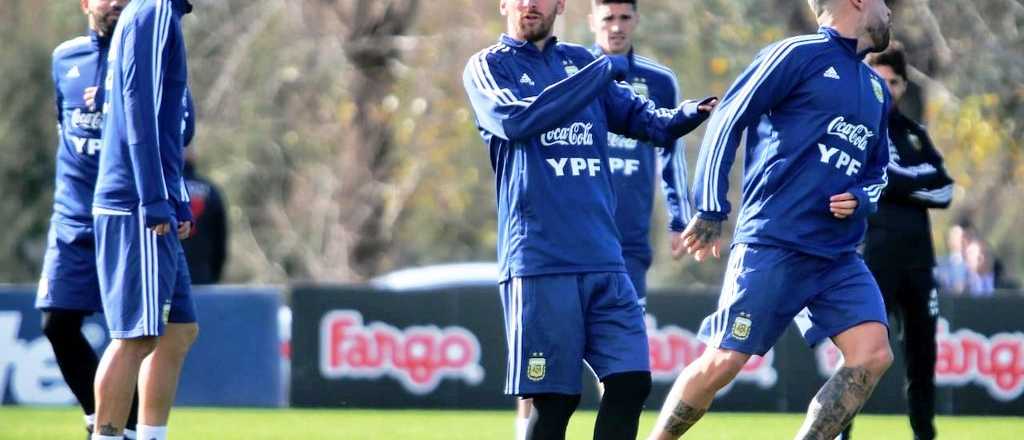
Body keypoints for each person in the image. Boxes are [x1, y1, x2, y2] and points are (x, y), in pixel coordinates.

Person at [463, 1, 717, 438]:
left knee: (631, 382)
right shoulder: (489, 66)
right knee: (555, 400)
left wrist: (690, 114)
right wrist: (596, 75)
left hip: (605, 255)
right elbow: (518, 119)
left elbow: (644, 121)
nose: (530, 4)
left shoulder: (579, 62)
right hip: (541, 260)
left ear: (560, 4)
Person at [647, 0, 894, 439]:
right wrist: (710, 206)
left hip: (836, 256)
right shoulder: (797, 54)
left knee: (872, 354)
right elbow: (728, 117)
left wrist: (859, 197)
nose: (889, 10)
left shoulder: (876, 89)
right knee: (724, 361)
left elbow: (878, 172)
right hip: (774, 243)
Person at [36, 1, 146, 438]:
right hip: (72, 218)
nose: (116, 2)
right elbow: (66, 125)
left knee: (130, 337)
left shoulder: (150, 58)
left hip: (126, 218)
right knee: (57, 323)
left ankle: (128, 429)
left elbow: (181, 126)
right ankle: (98, 420)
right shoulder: (65, 57)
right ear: (85, 3)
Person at [91, 1, 197, 439]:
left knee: (178, 329)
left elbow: (168, 122)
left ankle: (151, 436)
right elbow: (139, 105)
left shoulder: (160, 12)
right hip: (136, 201)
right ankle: (107, 435)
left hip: (156, 197)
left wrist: (178, 196)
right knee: (136, 337)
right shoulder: (152, 9)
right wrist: (154, 198)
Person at [839, 42, 955, 440]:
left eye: (894, 82)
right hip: (874, 260)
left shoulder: (916, 134)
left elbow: (945, 191)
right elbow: (888, 178)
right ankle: (840, 430)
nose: (886, 89)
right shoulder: (858, 128)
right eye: (879, 80)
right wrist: (914, 178)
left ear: (904, 86)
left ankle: (924, 433)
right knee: (861, 357)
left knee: (923, 359)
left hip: (919, 263)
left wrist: (903, 179)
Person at [180, 114, 229, 285]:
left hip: (168, 275)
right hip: (202, 276)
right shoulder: (211, 191)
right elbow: (220, 242)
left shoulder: (161, 189)